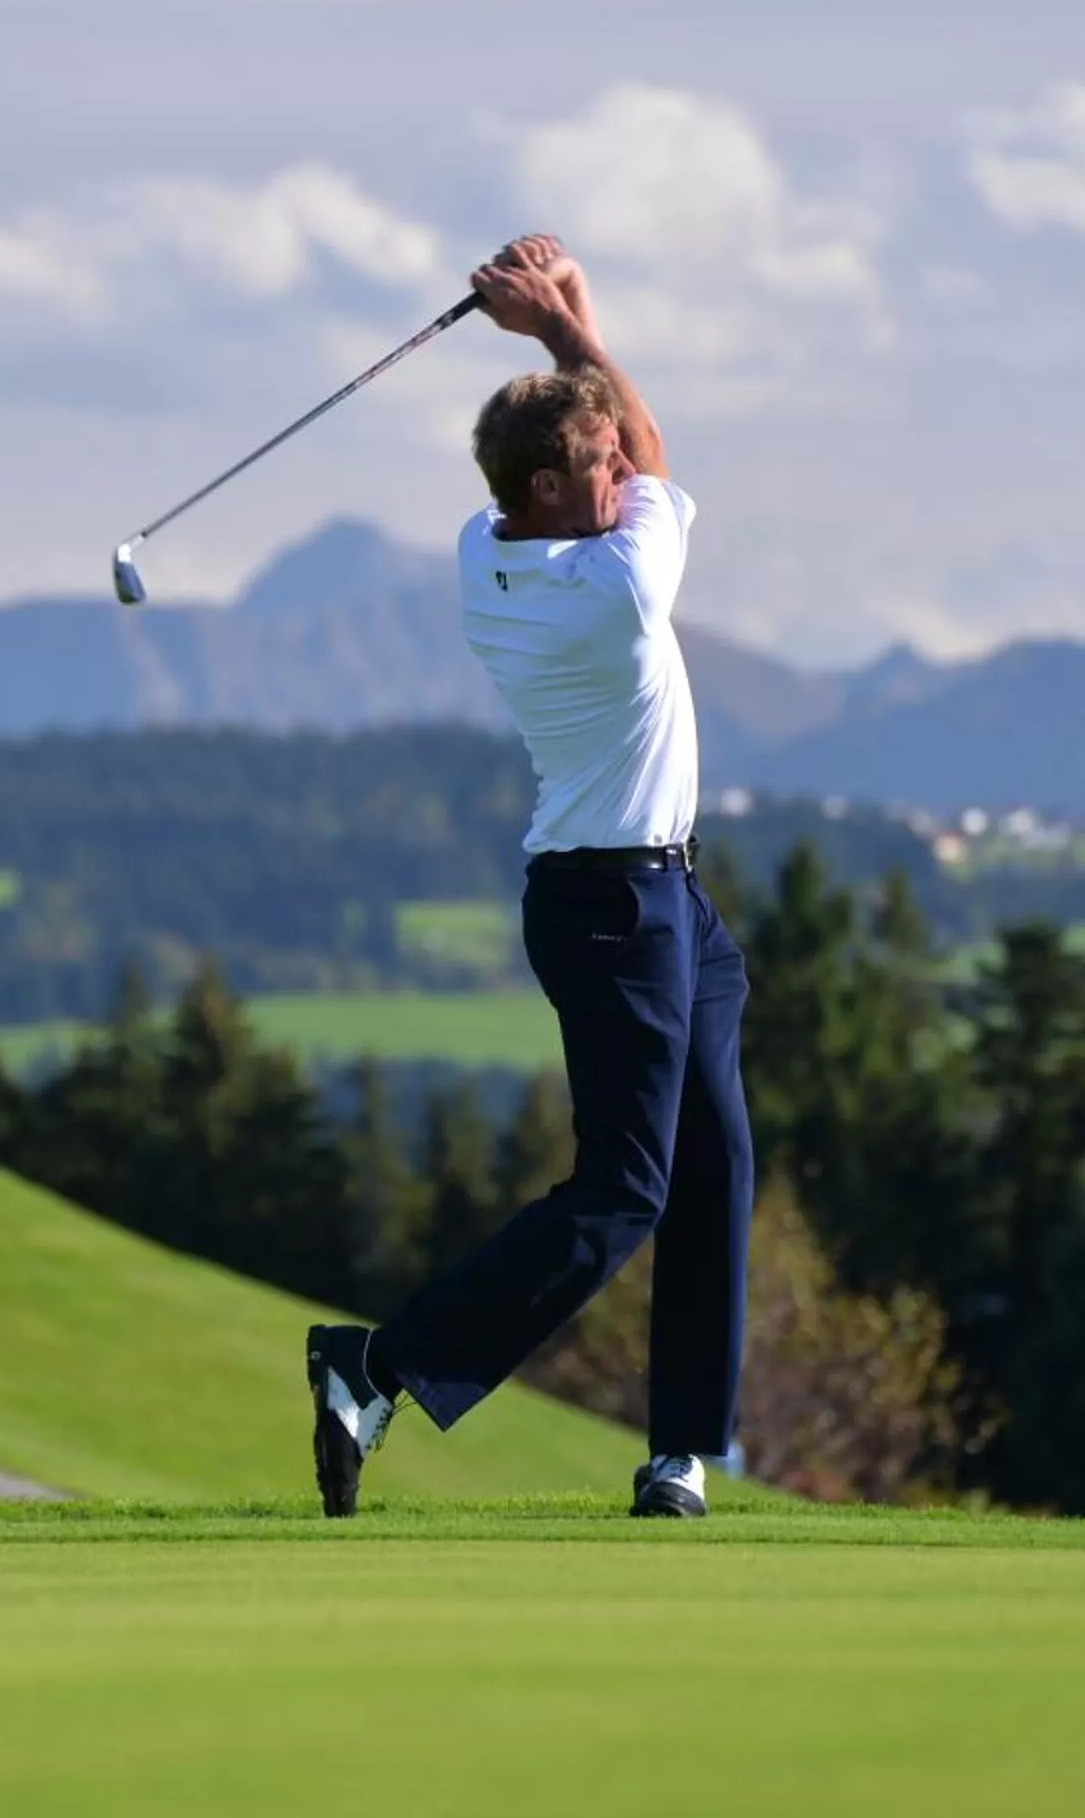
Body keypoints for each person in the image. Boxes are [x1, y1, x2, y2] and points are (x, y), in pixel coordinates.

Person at [305, 234, 755, 1519]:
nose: (624, 474)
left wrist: (570, 314)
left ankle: (680, 1450)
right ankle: (377, 1366)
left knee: (715, 1156)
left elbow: (617, 435)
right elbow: (649, 439)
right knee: (625, 1187)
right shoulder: (612, 582)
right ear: (554, 485)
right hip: (615, 906)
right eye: (600, 466)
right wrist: (558, 330)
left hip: (660, 894)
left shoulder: (484, 545)